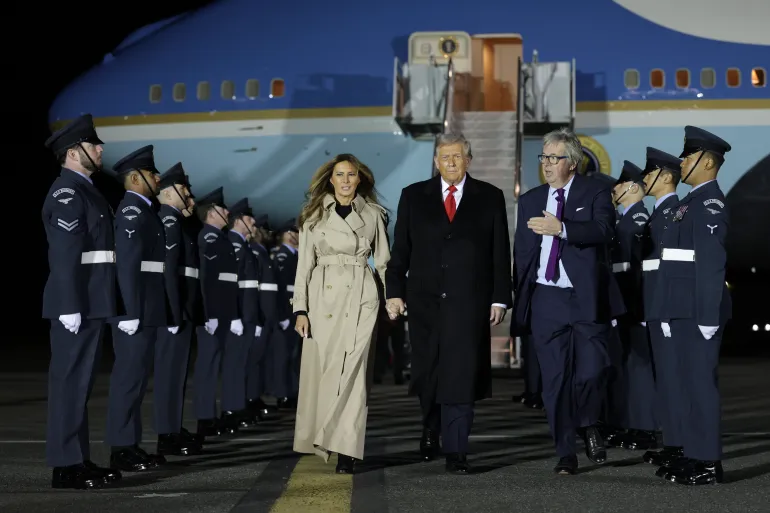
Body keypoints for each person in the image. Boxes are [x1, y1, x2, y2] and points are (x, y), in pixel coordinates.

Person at [385, 133, 512, 474]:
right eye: (445, 157)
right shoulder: (413, 196)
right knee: (428, 373)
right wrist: (393, 290)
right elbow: (401, 251)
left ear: (468, 159)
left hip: (468, 303)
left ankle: (457, 449)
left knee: (460, 374)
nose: (451, 162)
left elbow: (500, 252)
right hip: (424, 302)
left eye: (457, 156)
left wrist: (500, 297)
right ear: (436, 161)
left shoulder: (489, 197)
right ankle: (430, 426)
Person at [512, 128, 621, 475]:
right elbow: (522, 253)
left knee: (592, 370)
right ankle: (565, 452)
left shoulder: (595, 191)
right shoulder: (529, 200)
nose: (546, 164)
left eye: (553, 158)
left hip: (585, 296)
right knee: (555, 380)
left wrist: (563, 229)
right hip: (547, 298)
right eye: (543, 157)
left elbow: (605, 230)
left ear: (572, 163)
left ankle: (589, 421)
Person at [292, 154, 391, 474]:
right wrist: (301, 309)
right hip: (323, 299)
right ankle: (325, 436)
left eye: (351, 175)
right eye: (340, 175)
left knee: (356, 373)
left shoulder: (375, 215)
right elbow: (303, 267)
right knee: (327, 372)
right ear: (330, 179)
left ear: (359, 179)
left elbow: (384, 261)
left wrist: (394, 298)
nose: (346, 180)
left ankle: (346, 447)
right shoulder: (312, 215)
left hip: (362, 295)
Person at [42, 114, 122, 489]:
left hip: (92, 300)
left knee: (80, 384)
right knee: (69, 383)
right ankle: (66, 465)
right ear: (74, 152)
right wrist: (69, 304)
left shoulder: (88, 190)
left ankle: (78, 458)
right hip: (77, 303)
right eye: (93, 144)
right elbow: (65, 254)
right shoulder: (67, 193)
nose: (100, 148)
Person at [651, 126, 732, 486]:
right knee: (687, 384)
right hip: (681, 308)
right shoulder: (689, 202)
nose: (681, 162)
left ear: (708, 161)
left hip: (699, 311)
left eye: (688, 156)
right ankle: (694, 453)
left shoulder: (710, 201)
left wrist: (709, 315)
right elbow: (673, 262)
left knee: (701, 387)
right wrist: (667, 310)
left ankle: (709, 463)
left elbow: (711, 262)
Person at [105, 145, 169, 472]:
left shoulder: (145, 210)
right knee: (128, 380)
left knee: (138, 380)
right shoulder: (132, 210)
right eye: (151, 173)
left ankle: (130, 444)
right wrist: (129, 312)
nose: (158, 177)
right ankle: (121, 447)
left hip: (146, 307)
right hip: (135, 311)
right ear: (135, 178)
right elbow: (127, 265)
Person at [605, 161, 657, 451]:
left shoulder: (637, 221)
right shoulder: (624, 219)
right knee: (627, 366)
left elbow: (638, 271)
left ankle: (644, 427)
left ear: (633, 187)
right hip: (624, 305)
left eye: (620, 184)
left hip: (634, 306)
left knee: (639, 369)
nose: (614, 189)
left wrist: (638, 310)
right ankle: (630, 423)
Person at [637, 147, 682, 467]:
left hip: (664, 309)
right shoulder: (659, 213)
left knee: (674, 379)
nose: (645, 179)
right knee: (665, 380)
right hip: (653, 308)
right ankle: (673, 441)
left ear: (666, 177)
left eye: (650, 173)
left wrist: (665, 311)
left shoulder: (673, 213)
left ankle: (680, 443)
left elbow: (673, 270)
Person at [154, 162, 203, 455]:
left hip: (182, 309)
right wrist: (172, 311)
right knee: (168, 374)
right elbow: (168, 272)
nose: (189, 197)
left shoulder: (179, 222)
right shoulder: (168, 221)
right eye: (185, 190)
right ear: (170, 192)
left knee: (177, 374)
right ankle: (165, 432)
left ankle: (172, 428)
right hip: (173, 311)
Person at [193, 187, 241, 437]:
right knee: (208, 366)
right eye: (223, 209)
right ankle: (204, 417)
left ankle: (209, 415)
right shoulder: (209, 238)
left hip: (221, 313)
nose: (227, 213)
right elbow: (207, 280)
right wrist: (208, 313)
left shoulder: (219, 239)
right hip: (213, 313)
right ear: (212, 213)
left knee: (214, 364)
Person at [225, 197, 264, 428]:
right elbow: (231, 285)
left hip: (248, 314)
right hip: (239, 314)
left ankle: (238, 405)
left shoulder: (243, 245)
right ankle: (232, 408)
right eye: (250, 219)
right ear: (239, 220)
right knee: (234, 363)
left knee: (242, 362)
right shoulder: (233, 243)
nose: (254, 224)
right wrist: (234, 316)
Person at [248, 215, 280, 420]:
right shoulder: (255, 252)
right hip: (257, 315)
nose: (268, 235)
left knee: (258, 361)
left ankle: (254, 397)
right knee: (252, 361)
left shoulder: (262, 253)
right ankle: (249, 399)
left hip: (266, 315)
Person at [273, 219, 301, 410]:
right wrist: (282, 315)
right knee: (284, 356)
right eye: (296, 233)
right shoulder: (282, 257)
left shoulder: (295, 256)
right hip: (287, 312)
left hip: (295, 311)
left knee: (294, 355)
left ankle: (291, 392)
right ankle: (282, 394)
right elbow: (280, 290)